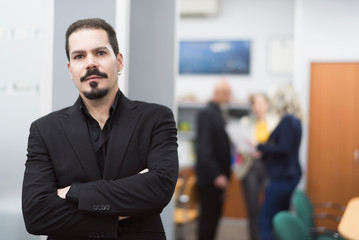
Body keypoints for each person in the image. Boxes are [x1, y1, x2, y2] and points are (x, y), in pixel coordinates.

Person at [22, 18, 178, 240]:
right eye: (79, 56)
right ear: (70, 69)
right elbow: (36, 215)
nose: (90, 63)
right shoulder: (45, 130)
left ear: (119, 61)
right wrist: (121, 208)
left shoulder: (155, 119)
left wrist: (73, 192)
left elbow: (159, 188)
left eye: (100, 53)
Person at [252, 85, 303, 240]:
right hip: (289, 175)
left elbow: (284, 148)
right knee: (280, 218)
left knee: (264, 221)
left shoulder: (287, 120)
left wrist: (260, 146)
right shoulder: (295, 119)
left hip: (282, 177)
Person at [228, 93, 279, 240]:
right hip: (250, 168)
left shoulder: (275, 123)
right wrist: (248, 149)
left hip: (269, 168)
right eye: (255, 104)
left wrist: (264, 151)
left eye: (262, 103)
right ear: (252, 107)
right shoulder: (245, 123)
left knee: (270, 208)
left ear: (267, 105)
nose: (259, 107)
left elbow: (278, 146)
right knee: (252, 209)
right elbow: (238, 147)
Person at [195, 79, 232, 240]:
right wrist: (217, 174)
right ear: (221, 93)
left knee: (214, 220)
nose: (230, 98)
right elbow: (204, 150)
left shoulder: (217, 113)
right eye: (228, 94)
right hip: (211, 180)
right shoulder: (207, 114)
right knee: (207, 223)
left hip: (217, 179)